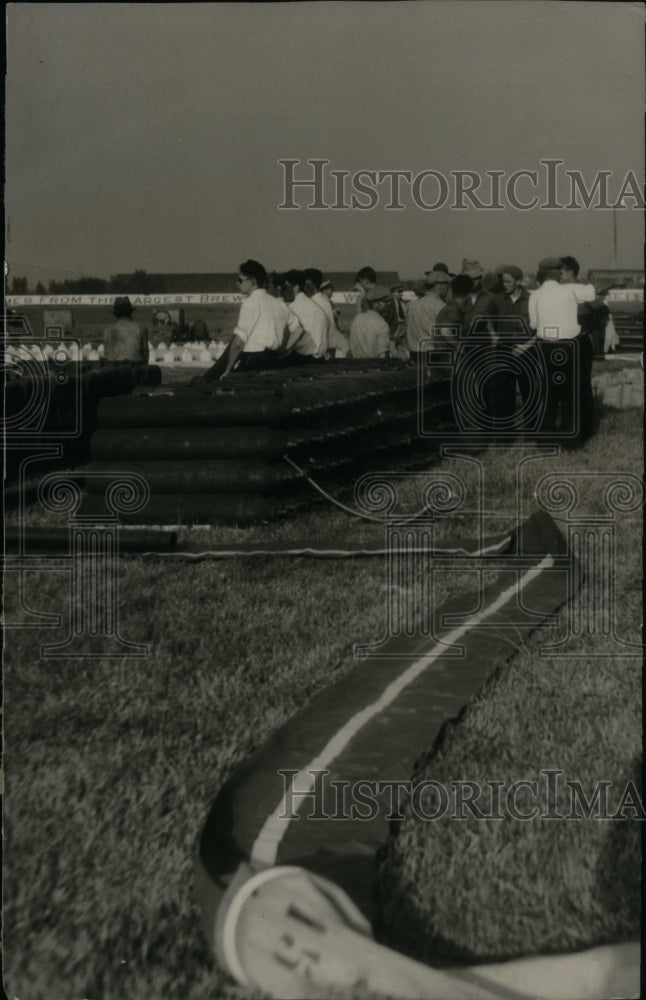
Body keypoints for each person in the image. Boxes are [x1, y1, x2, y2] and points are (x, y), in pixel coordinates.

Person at [528, 256, 596, 444]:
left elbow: (534, 323)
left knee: (546, 393)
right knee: (570, 392)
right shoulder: (571, 290)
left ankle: (545, 439)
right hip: (568, 346)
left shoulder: (534, 295)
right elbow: (591, 294)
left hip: (544, 347)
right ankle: (572, 439)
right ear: (559, 273)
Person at [203, 260, 291, 381]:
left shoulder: (251, 302)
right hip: (273, 361)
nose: (237, 283)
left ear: (252, 281)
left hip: (253, 362)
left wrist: (227, 370)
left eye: (240, 280)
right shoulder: (280, 305)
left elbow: (239, 343)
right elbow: (287, 335)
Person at [487, 265, 533, 420]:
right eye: (503, 281)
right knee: (503, 393)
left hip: (526, 350)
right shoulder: (497, 300)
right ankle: (505, 435)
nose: (504, 284)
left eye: (508, 281)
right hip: (503, 349)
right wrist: (493, 334)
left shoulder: (531, 300)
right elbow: (489, 319)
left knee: (529, 390)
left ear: (518, 281)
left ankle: (532, 431)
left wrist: (528, 345)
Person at [560, 255, 610, 358]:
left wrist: (586, 324)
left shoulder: (582, 290)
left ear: (570, 273)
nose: (557, 276)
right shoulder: (560, 289)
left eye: (560, 272)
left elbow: (603, 310)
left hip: (578, 338)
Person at [431, 274, 473, 381]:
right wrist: (459, 347)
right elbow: (445, 331)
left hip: (442, 358)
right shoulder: (453, 310)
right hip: (450, 359)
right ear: (468, 296)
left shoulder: (448, 308)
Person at [406, 269, 451, 364]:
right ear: (440, 286)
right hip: (433, 355)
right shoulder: (441, 306)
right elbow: (446, 333)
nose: (447, 289)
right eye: (447, 285)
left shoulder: (411, 306)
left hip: (414, 354)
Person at [283, 268, 327, 360]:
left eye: (285, 287)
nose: (283, 291)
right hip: (319, 357)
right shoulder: (313, 305)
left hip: (304, 359)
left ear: (296, 287)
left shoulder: (293, 307)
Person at [103, 296, 149, 363]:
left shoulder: (107, 331)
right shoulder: (140, 328)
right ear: (130, 312)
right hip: (134, 370)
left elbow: (107, 355)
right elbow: (146, 357)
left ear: (115, 314)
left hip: (112, 369)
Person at [349, 287, 391, 358]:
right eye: (384, 302)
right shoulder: (382, 324)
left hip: (356, 365)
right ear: (375, 304)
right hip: (374, 366)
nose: (388, 304)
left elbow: (352, 346)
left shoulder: (357, 319)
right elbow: (382, 354)